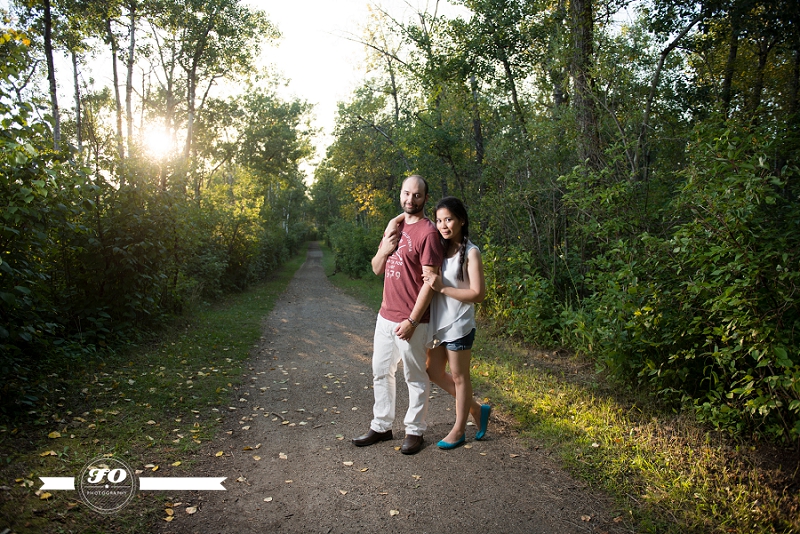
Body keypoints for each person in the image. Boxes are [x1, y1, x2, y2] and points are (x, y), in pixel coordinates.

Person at [352, 175, 444, 455]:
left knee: (415, 376)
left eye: (417, 195)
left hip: (413, 320)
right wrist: (387, 246)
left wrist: (413, 321)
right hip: (385, 315)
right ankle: (381, 426)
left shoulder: (429, 233)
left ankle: (415, 431)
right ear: (400, 194)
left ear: (426, 198)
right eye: (406, 193)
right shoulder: (396, 226)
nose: (410, 200)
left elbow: (431, 282)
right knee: (380, 371)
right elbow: (376, 267)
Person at [423, 197, 490, 449]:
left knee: (461, 377)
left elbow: (478, 294)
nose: (443, 225)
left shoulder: (471, 252)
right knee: (433, 372)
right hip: (439, 322)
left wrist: (443, 288)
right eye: (439, 220)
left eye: (449, 219)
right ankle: (475, 408)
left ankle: (460, 429)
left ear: (462, 220)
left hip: (459, 323)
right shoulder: (439, 249)